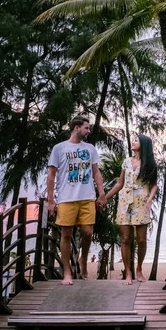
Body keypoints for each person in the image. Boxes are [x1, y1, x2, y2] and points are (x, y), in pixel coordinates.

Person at [47, 116, 107, 285]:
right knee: (66, 234)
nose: (89, 131)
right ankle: (66, 272)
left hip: (87, 197)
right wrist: (51, 200)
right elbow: (51, 175)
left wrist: (101, 194)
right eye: (86, 128)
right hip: (66, 198)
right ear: (76, 128)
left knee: (88, 232)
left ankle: (83, 259)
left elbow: (96, 173)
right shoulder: (59, 149)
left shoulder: (90, 149)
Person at [105, 133, 157, 285]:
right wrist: (105, 197)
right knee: (126, 239)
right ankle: (128, 272)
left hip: (142, 202)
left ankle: (139, 268)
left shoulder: (150, 163)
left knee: (141, 240)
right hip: (125, 202)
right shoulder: (126, 162)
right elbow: (119, 183)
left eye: (136, 140)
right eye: (133, 140)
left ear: (144, 145)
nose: (133, 142)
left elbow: (154, 184)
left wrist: (150, 199)